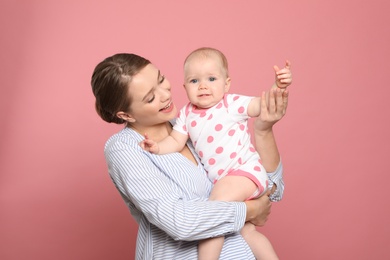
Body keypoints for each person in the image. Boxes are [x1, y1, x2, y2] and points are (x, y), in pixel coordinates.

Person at [91, 52, 289, 260]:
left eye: (161, 80)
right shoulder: (125, 148)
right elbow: (180, 222)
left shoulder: (192, 123)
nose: (166, 94)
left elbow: (273, 187)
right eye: (150, 97)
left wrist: (263, 130)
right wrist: (249, 209)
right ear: (126, 115)